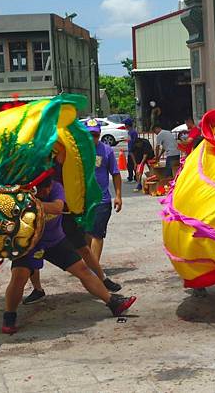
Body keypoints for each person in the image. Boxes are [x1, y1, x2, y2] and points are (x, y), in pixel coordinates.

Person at [2, 177, 136, 334]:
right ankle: (9, 317)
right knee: (19, 277)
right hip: (28, 243)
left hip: (55, 241)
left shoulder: (56, 187)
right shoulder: (20, 191)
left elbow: (58, 207)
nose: (46, 191)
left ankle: (113, 302)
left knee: (83, 269)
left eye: (47, 188)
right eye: (42, 189)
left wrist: (30, 204)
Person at [23, 159, 122, 305]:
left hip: (67, 209)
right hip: (37, 215)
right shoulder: (32, 159)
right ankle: (37, 289)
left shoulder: (65, 153)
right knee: (31, 253)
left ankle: (102, 278)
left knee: (82, 248)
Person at [85, 119, 123, 262]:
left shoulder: (106, 151)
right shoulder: (79, 151)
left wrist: (118, 196)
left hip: (102, 200)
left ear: (99, 134)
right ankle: (88, 264)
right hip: (83, 201)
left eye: (95, 135)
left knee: (97, 235)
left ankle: (94, 268)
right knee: (86, 234)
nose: (92, 138)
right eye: (89, 134)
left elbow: (115, 173)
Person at [124, 118, 138, 182]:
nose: (124, 126)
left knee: (134, 164)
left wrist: (132, 149)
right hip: (130, 151)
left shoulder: (133, 132)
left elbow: (134, 141)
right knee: (129, 165)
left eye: (125, 124)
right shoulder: (129, 132)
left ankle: (136, 177)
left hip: (133, 151)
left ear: (128, 125)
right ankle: (130, 177)